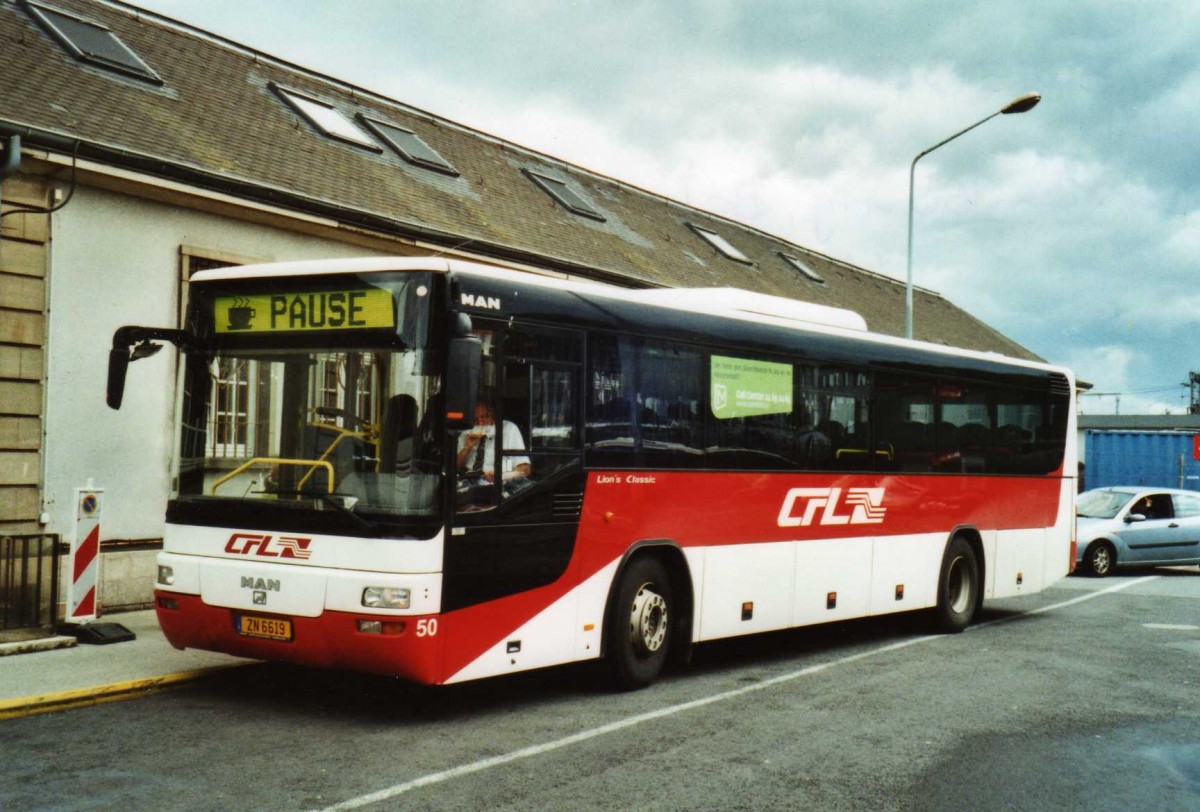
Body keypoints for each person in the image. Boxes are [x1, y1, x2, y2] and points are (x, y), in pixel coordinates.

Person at [456, 401, 530, 483]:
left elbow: (524, 469)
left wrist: (500, 476)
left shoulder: (508, 429)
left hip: (498, 484)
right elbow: (456, 467)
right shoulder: (467, 431)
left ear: (492, 416)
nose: (480, 423)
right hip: (469, 482)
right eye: (475, 419)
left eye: (484, 417)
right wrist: (467, 448)